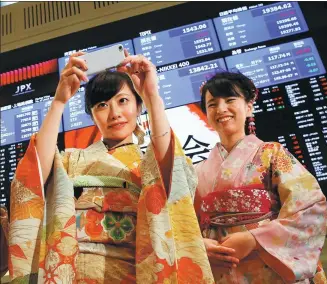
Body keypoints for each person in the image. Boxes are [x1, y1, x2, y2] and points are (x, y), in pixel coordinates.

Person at [8, 51, 214, 283]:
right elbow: (32, 177)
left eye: (123, 100)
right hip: (72, 272)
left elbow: (170, 174)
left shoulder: (148, 164)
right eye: (102, 105)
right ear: (93, 115)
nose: (114, 113)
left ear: (139, 106)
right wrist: (59, 101)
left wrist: (151, 95)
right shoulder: (70, 161)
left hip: (133, 271)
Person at [194, 72, 327, 283]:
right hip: (221, 264)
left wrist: (254, 239)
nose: (221, 109)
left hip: (268, 262)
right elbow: (183, 220)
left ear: (249, 107)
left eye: (230, 100)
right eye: (212, 104)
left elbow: (309, 205)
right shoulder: (196, 171)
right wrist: (199, 244)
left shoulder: (272, 153)